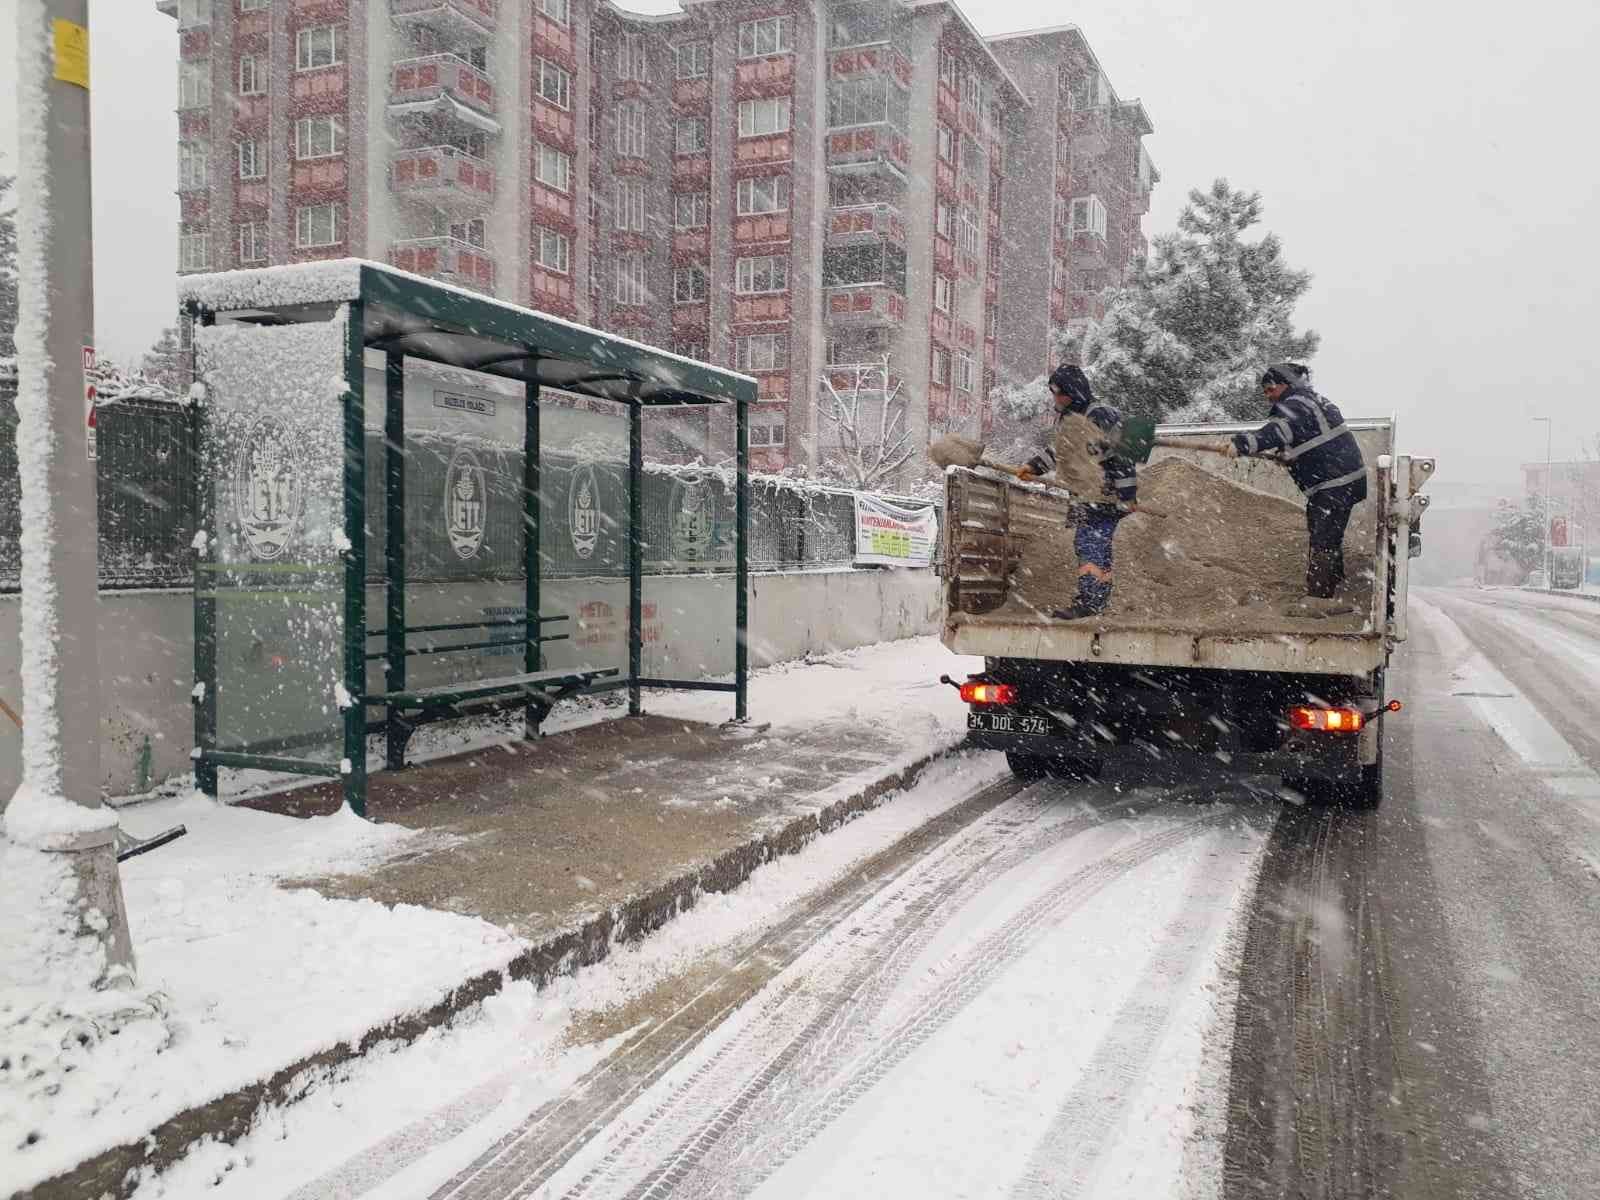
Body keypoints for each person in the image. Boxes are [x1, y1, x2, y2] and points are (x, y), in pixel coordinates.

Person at [1229, 363, 1367, 607]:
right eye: (1265, 392)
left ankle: (1319, 599)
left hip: (1333, 483)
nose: (1268, 396)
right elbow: (1304, 438)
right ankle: (1333, 586)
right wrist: (1288, 454)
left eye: (1270, 389)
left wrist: (1243, 444)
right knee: (1326, 534)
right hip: (1340, 481)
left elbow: (1278, 430)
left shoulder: (1297, 404)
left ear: (1286, 384)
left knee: (1324, 536)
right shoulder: (1309, 401)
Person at [1018, 365, 1138, 620]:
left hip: (1103, 498)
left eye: (1060, 393)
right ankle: (1096, 602)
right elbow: (1061, 452)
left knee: (1091, 546)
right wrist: (1034, 467)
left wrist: (1127, 495)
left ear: (1074, 391)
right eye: (1054, 393)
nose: (1056, 399)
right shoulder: (1072, 418)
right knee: (1090, 548)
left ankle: (1091, 604)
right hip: (1086, 499)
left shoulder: (1100, 416)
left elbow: (1123, 456)